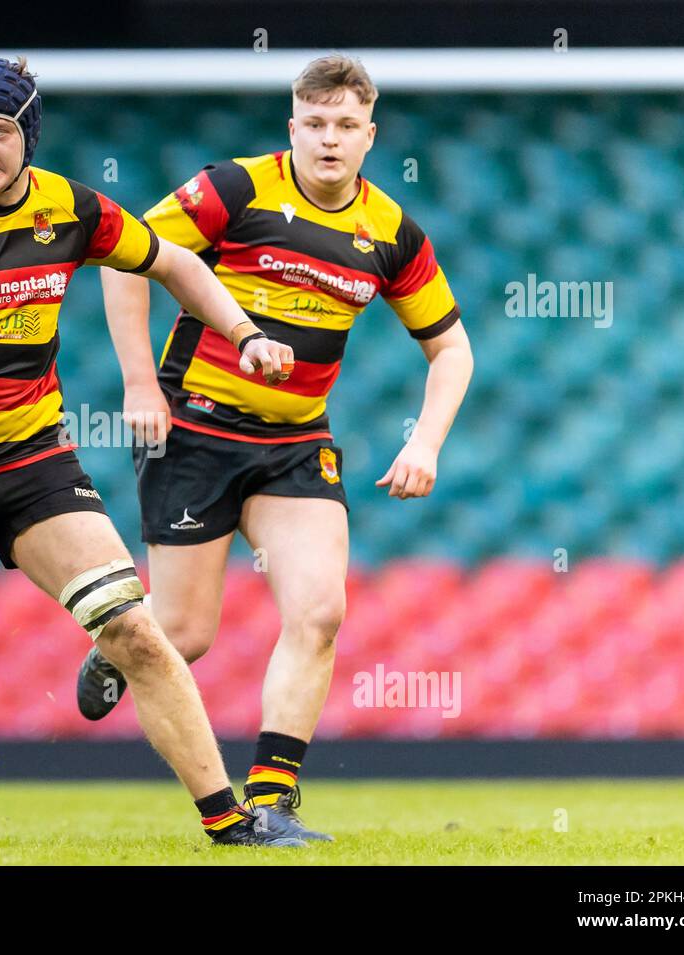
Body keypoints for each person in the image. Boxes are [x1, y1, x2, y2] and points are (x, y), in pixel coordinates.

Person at [0, 56, 303, 846]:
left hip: (34, 461)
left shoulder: (71, 208)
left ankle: (231, 823)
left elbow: (173, 261)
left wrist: (242, 332)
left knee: (134, 631)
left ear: (27, 134)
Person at [78, 53, 474, 842]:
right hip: (194, 426)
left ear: (371, 135)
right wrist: (139, 385)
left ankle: (271, 801)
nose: (330, 140)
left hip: (295, 444)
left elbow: (453, 348)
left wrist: (425, 442)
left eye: (346, 127)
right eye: (315, 124)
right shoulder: (236, 189)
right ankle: (120, 644)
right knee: (184, 635)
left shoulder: (389, 232)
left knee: (321, 611)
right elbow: (127, 262)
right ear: (293, 128)